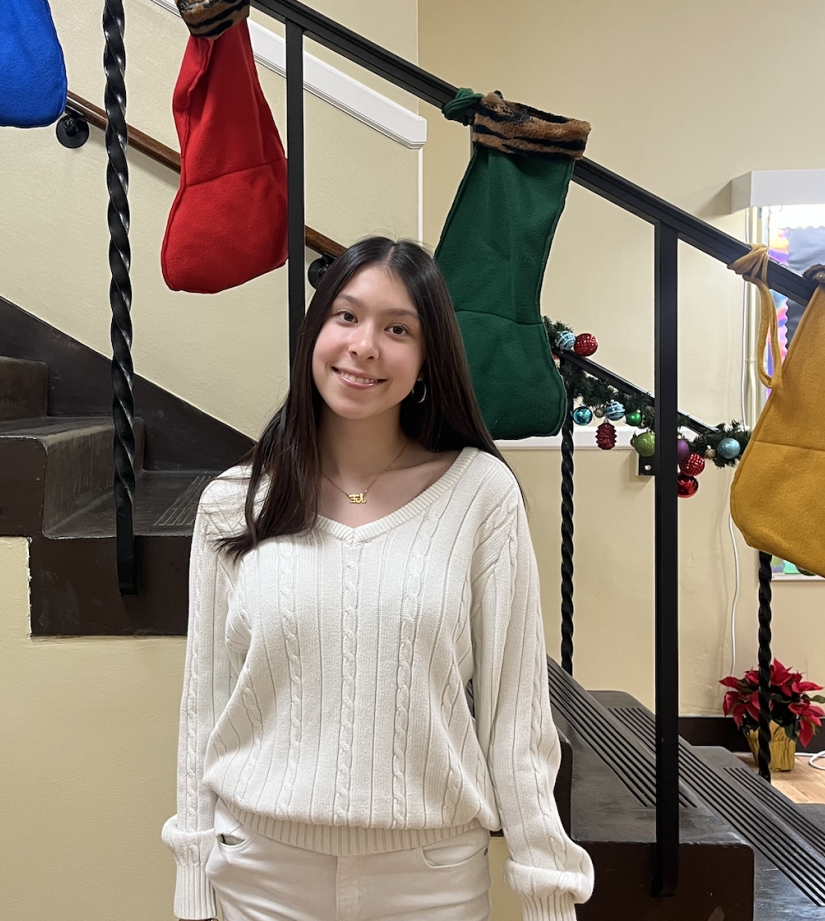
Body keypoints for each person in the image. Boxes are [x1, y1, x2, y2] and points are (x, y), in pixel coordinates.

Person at [162, 237, 594, 921]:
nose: (365, 345)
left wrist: (547, 894)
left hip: (430, 885)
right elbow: (204, 708)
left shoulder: (479, 495)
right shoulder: (233, 502)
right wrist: (192, 879)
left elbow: (516, 721)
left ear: (426, 361)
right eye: (346, 316)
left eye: (398, 329)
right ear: (315, 334)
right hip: (258, 877)